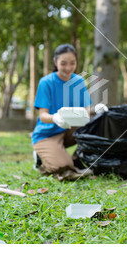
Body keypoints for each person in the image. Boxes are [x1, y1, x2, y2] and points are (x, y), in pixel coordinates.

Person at [31, 44, 93, 181]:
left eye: (72, 63)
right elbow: (43, 115)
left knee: (96, 123)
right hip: (47, 134)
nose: (68, 68)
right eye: (63, 63)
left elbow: (87, 111)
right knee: (63, 167)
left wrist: (98, 110)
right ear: (55, 62)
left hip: (69, 131)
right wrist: (55, 118)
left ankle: (77, 159)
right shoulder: (46, 82)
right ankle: (41, 157)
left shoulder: (79, 81)